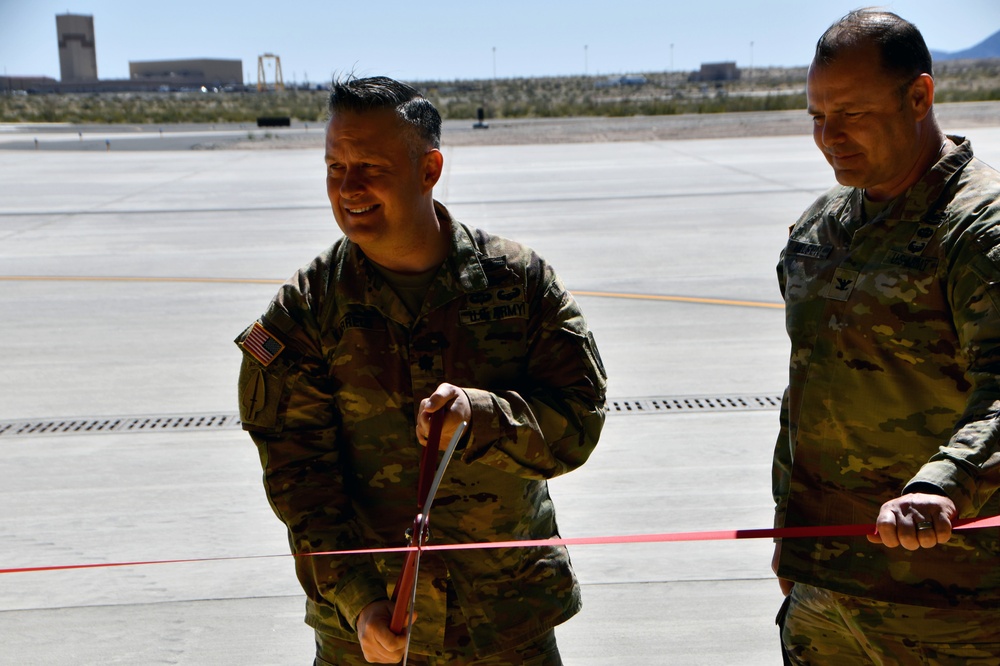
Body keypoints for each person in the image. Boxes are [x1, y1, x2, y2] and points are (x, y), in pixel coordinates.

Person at [235, 76, 607, 665]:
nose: (349, 188)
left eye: (370, 167)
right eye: (335, 167)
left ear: (429, 168)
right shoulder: (305, 311)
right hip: (371, 636)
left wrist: (483, 418)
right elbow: (300, 483)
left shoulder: (519, 283)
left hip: (503, 625)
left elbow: (579, 420)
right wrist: (360, 606)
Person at [772, 9, 1000, 664]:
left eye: (852, 113)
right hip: (828, 590)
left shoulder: (979, 229)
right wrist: (792, 536)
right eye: (817, 116)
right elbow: (807, 399)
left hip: (953, 605)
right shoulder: (817, 231)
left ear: (919, 96)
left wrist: (941, 486)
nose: (829, 136)